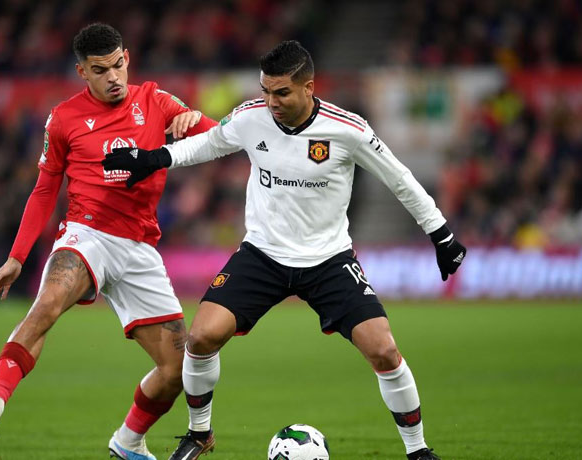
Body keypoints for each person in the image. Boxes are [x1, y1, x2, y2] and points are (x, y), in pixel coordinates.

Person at [103, 40, 467, 460]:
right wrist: (154, 158)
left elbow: (400, 179)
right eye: (266, 91)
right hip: (262, 255)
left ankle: (418, 450)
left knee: (384, 349)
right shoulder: (251, 117)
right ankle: (199, 433)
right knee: (201, 337)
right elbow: (208, 144)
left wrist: (441, 234)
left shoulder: (347, 129)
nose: (271, 102)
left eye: (281, 92)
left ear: (308, 87)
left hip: (329, 260)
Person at [0, 23, 216, 460]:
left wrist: (196, 120)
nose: (113, 77)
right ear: (82, 71)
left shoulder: (156, 101)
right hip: (87, 233)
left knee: (177, 369)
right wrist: (17, 257)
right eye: (100, 70)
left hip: (139, 247)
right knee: (48, 303)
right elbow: (45, 189)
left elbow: (222, 136)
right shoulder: (63, 118)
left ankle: (128, 442)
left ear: (127, 58)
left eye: (118, 65)